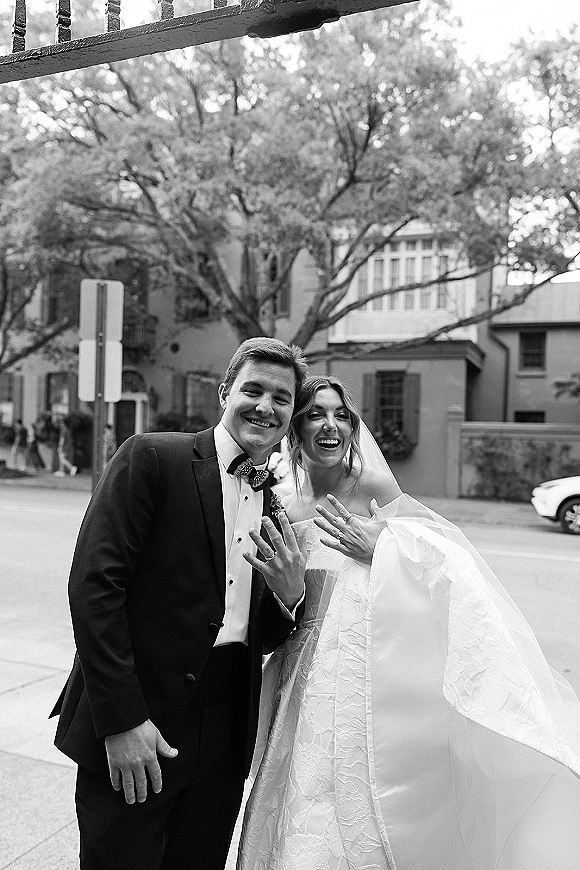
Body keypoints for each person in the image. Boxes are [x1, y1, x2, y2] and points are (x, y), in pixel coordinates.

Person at [237, 376, 580, 870]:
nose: (330, 425)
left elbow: (447, 557)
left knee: (359, 792)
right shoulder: (278, 502)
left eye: (340, 415)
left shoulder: (373, 487)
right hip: (299, 668)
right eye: (315, 414)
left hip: (359, 667)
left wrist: (384, 548)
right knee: (297, 788)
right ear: (294, 429)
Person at [50, 337, 308, 870]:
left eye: (281, 398)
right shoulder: (152, 457)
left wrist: (288, 598)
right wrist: (122, 721)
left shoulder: (274, 504)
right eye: (252, 389)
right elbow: (95, 587)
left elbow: (255, 632)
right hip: (140, 719)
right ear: (223, 393)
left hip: (223, 732)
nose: (266, 405)